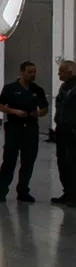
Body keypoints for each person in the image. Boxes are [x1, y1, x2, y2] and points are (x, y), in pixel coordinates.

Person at [0, 61, 49, 202]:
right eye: (30, 72)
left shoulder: (37, 90)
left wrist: (38, 113)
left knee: (28, 160)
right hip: (14, 128)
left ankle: (23, 190)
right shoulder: (10, 88)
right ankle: (2, 190)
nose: (33, 75)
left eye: (34, 72)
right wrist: (14, 111)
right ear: (22, 72)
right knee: (9, 159)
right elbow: (0, 106)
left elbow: (44, 108)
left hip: (31, 129)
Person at [53, 61, 76, 205]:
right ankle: (67, 192)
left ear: (70, 72)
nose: (58, 74)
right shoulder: (63, 88)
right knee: (63, 162)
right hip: (62, 129)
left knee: (73, 162)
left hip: (73, 131)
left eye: (61, 71)